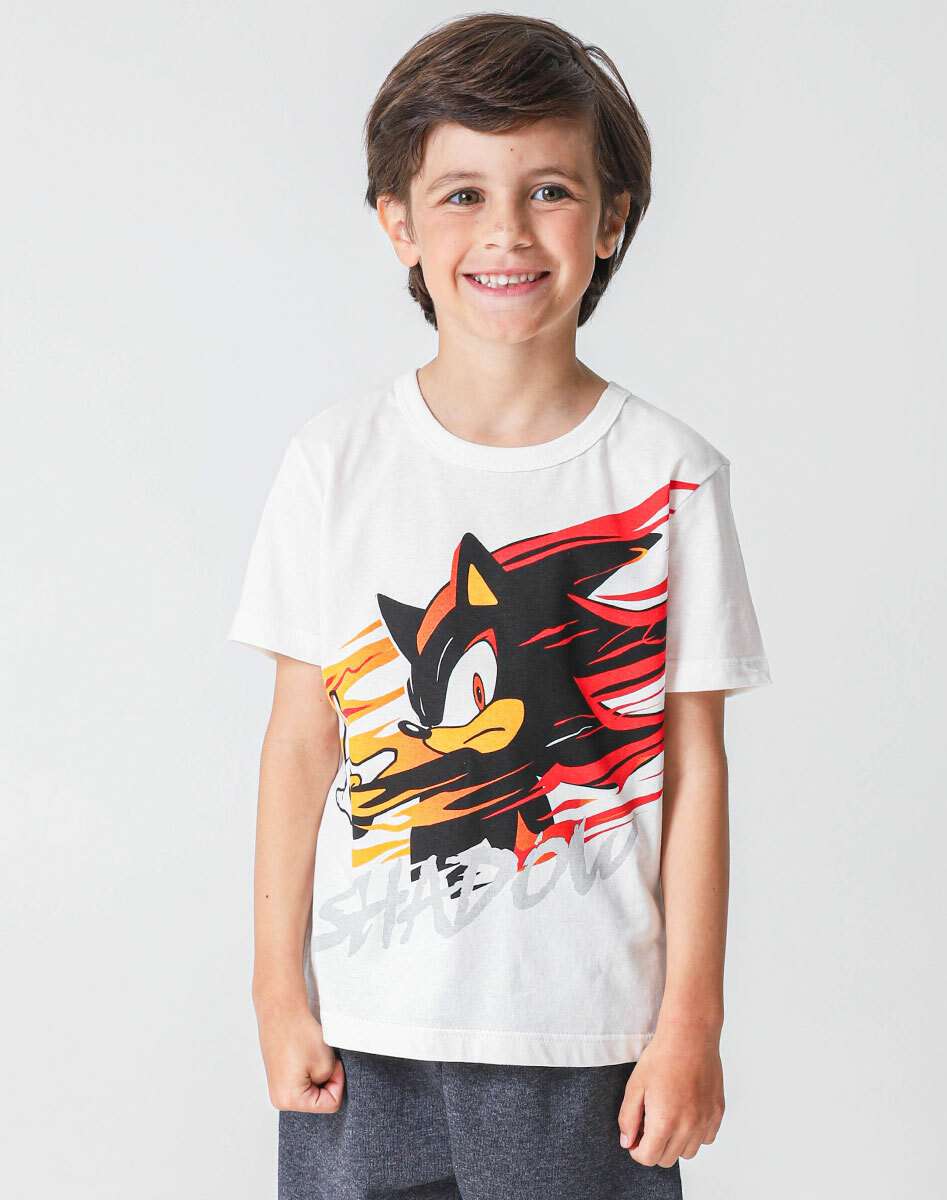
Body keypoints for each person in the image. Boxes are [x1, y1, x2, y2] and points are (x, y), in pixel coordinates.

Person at [227, 13, 772, 1199]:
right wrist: (276, 990)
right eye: (463, 194)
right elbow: (301, 739)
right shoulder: (335, 463)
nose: (507, 232)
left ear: (611, 219)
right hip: (367, 1035)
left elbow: (694, 766)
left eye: (549, 191)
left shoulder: (670, 477)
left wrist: (691, 1020)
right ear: (398, 223)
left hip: (587, 1042)